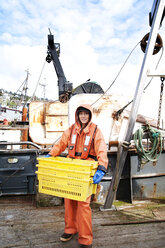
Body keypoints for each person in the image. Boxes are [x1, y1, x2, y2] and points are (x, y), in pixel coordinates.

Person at [47, 104, 108, 248]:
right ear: (77, 115)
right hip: (71, 169)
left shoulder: (96, 131)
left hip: (86, 171)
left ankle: (85, 238)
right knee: (69, 200)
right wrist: (50, 155)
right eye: (81, 114)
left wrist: (101, 168)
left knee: (83, 204)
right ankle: (70, 229)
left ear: (90, 115)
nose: (83, 116)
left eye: (86, 114)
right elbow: (61, 144)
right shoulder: (71, 129)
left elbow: (101, 150)